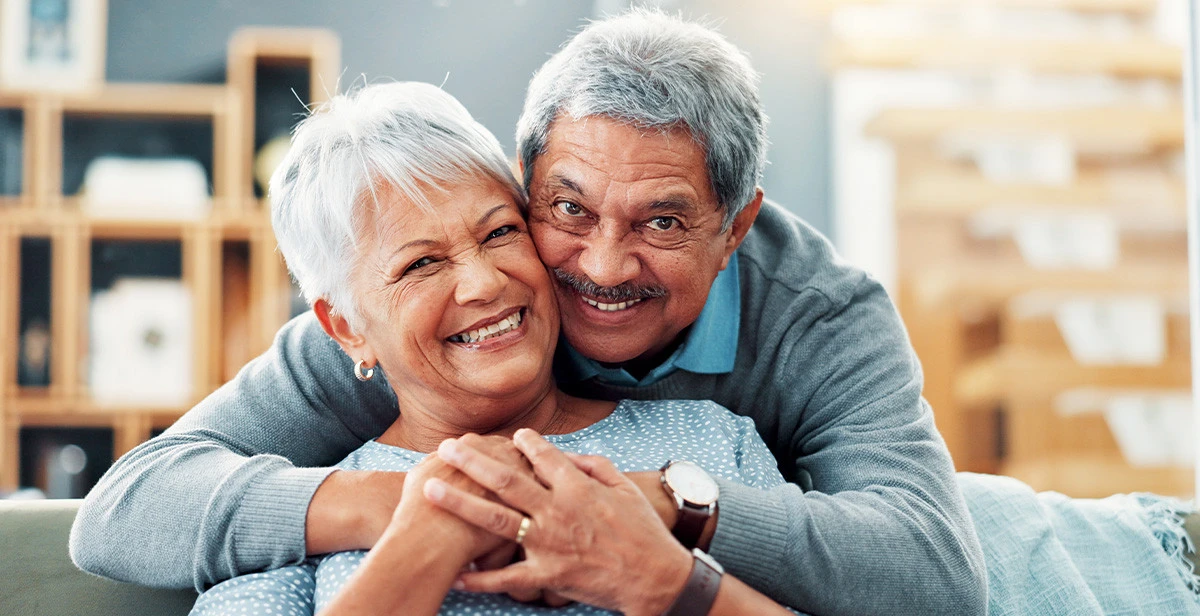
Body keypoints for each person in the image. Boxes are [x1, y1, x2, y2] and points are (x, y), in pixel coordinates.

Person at [73, 10, 988, 615]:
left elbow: (936, 572)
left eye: (662, 222)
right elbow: (126, 506)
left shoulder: (792, 351)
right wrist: (425, 501)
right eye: (566, 208)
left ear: (736, 225)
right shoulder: (380, 340)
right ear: (529, 176)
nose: (598, 264)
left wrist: (659, 519)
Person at [189, 79, 795, 616]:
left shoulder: (713, 445)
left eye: (500, 232)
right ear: (347, 328)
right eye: (421, 263)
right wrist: (428, 539)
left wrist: (668, 584)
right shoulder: (303, 524)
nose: (484, 284)